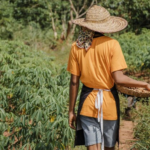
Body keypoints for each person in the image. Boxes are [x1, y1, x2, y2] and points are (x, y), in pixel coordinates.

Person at [67, 5, 150, 150]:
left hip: (87, 104)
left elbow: (74, 82)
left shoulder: (77, 46)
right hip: (108, 105)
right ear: (105, 26)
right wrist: (144, 84)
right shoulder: (112, 45)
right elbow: (118, 78)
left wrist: (71, 111)